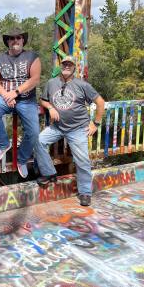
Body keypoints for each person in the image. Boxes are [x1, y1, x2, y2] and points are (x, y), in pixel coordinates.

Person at [35, 55, 105, 206]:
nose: (67, 66)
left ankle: (85, 192)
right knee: (38, 141)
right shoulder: (51, 83)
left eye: (70, 65)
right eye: (64, 64)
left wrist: (96, 123)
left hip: (78, 129)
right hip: (57, 127)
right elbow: (43, 99)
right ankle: (49, 172)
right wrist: (50, 107)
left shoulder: (82, 85)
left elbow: (100, 102)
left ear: (74, 68)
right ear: (61, 66)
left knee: (82, 161)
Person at [0, 27, 41, 178]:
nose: (15, 40)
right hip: (6, 98)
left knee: (34, 133)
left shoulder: (32, 56)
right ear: (8, 42)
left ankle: (22, 160)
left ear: (23, 40)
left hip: (26, 100)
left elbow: (35, 79)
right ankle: (3, 144)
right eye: (12, 38)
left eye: (18, 38)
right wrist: (6, 96)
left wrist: (15, 93)